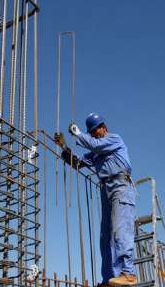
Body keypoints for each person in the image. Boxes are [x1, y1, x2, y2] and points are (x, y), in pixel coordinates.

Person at [55, 113, 137, 287]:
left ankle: (128, 273)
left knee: (120, 229)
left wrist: (77, 134)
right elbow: (77, 162)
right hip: (106, 190)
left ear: (104, 128)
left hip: (121, 186)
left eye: (96, 130)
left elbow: (95, 145)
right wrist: (63, 147)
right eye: (92, 132)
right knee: (105, 237)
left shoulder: (114, 139)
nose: (95, 134)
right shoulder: (95, 152)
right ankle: (110, 278)